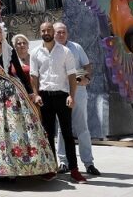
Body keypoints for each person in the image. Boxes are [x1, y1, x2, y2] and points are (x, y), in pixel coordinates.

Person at [0, 20, 56, 178]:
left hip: (9, 93)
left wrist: (29, 91)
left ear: (3, 34)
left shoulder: (9, 50)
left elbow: (18, 71)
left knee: (13, 129)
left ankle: (15, 167)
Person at [30, 22, 86, 183]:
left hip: (62, 96)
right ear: (40, 32)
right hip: (45, 98)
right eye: (43, 30)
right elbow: (34, 76)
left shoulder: (65, 51)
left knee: (68, 134)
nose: (46, 32)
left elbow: (71, 75)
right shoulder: (35, 53)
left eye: (49, 30)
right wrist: (36, 95)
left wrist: (72, 96)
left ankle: (74, 170)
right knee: (48, 134)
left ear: (53, 32)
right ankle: (51, 169)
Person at [54, 23, 100, 176]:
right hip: (60, 92)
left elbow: (87, 65)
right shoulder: (50, 50)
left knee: (83, 128)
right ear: (53, 34)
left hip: (79, 91)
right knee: (62, 128)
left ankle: (89, 163)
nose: (61, 34)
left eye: (64, 32)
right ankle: (63, 162)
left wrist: (86, 77)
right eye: (58, 32)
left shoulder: (76, 47)